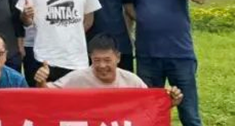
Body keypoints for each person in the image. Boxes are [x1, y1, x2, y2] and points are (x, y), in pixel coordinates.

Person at [35, 34, 184, 107]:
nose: (102, 66)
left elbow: (150, 108)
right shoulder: (77, 78)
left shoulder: (132, 81)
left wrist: (171, 102)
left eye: (107, 60)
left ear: (117, 58)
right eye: (96, 60)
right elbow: (46, 96)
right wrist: (41, 81)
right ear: (90, 58)